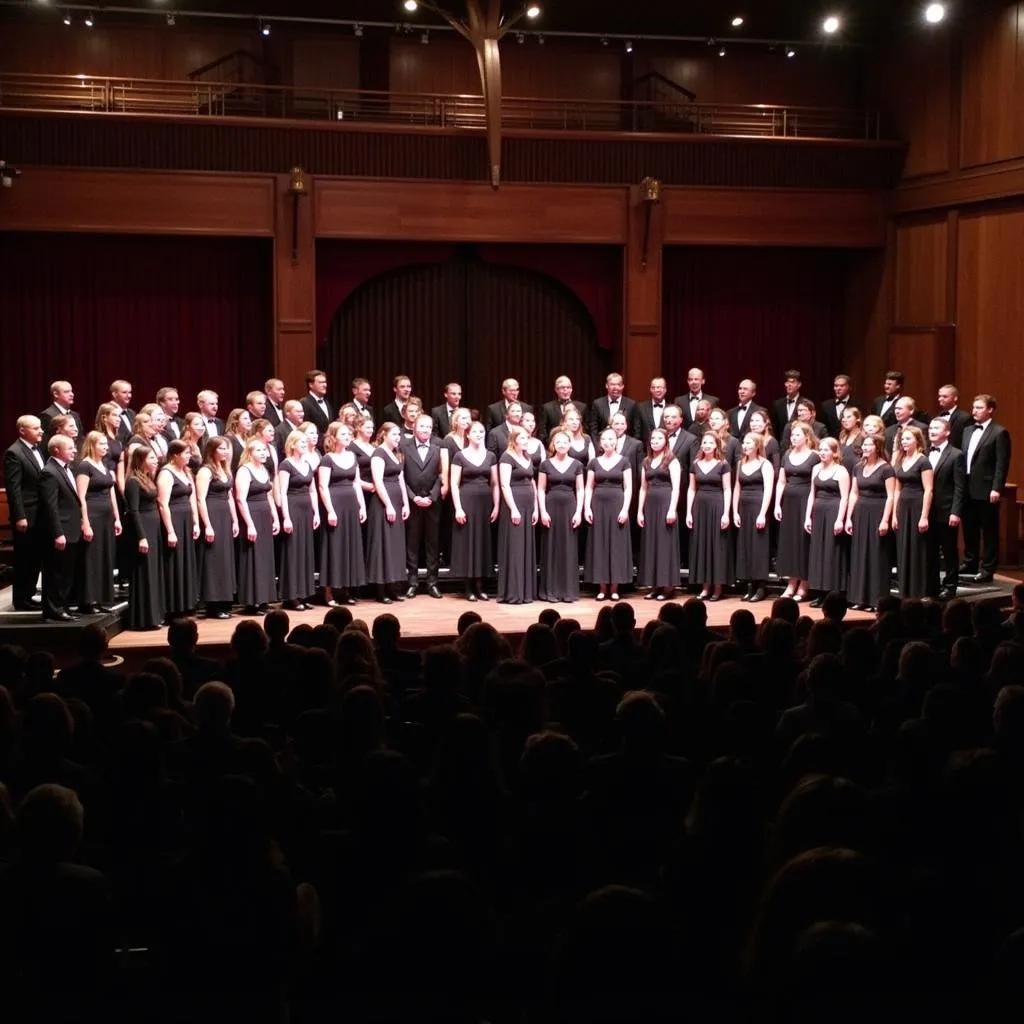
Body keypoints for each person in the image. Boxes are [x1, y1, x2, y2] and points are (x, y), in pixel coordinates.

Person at [960, 394, 1012, 583]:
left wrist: (996, 488)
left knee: (989, 530)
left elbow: (1001, 463)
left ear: (990, 409)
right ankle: (970, 561)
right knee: (969, 527)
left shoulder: (999, 432)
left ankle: (988, 567)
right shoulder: (967, 431)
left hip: (986, 488)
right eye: (974, 407)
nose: (974, 411)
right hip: (967, 488)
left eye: (979, 407)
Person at [318, 422, 367, 607]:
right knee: (334, 547)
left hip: (351, 506)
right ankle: (329, 592)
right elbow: (323, 486)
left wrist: (361, 506)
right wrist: (330, 510)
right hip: (335, 505)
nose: (348, 436)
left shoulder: (352, 456)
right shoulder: (327, 459)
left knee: (349, 546)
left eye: (349, 434)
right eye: (344, 434)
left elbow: (356, 483)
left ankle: (346, 590)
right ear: (334, 437)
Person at [845, 435, 896, 612]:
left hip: (877, 512)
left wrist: (885, 520)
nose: (865, 447)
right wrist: (848, 517)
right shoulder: (858, 467)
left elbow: (891, 496)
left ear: (878, 447)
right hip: (860, 513)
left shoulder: (886, 469)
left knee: (876, 556)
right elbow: (853, 493)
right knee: (860, 555)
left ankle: (877, 600)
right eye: (864, 445)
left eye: (869, 445)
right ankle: (859, 598)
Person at [450, 420, 499, 602]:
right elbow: (454, 484)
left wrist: (496, 505)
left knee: (482, 543)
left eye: (481, 431)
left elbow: (494, 483)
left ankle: (480, 585)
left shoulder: (491, 456)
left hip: (485, 502)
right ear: (467, 435)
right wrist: (458, 508)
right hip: (467, 500)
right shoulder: (459, 456)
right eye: (475, 431)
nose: (479, 434)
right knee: (468, 543)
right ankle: (468, 587)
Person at [74, 431, 121, 614]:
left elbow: (112, 494)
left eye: (106, 444)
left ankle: (102, 598)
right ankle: (88, 600)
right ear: (92, 445)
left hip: (106, 517)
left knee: (105, 556)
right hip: (92, 515)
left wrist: (117, 518)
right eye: (101, 444)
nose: (105, 447)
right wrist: (85, 522)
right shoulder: (85, 466)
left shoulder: (105, 465)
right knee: (91, 558)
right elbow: (81, 497)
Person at [584, 428, 634, 601]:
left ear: (616, 441)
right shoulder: (594, 462)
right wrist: (587, 508)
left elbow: (628, 488)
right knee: (600, 544)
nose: (607, 442)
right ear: (600, 442)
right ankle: (602, 586)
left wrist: (625, 509)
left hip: (617, 505)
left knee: (616, 545)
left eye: (611, 439)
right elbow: (589, 486)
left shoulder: (624, 461)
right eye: (604, 438)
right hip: (598, 506)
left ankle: (614, 587)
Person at [37, 435, 82, 622]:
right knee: (55, 572)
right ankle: (53, 608)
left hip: (70, 529)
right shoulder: (50, 472)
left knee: (65, 572)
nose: (74, 451)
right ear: (56, 450)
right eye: (70, 448)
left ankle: (61, 606)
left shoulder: (64, 469)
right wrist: (58, 533)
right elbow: (50, 506)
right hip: (60, 532)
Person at [537, 429, 585, 603]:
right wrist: (543, 511)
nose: (562, 445)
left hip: (570, 507)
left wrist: (579, 512)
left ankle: (568, 591)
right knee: (551, 547)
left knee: (568, 548)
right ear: (553, 445)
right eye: (558, 442)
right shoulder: (546, 464)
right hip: (551, 507)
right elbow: (541, 489)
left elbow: (580, 490)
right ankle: (550, 591)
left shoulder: (577, 465)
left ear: (569, 444)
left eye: (565, 442)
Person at [195, 436, 239, 620]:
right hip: (212, 514)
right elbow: (200, 499)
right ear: (212, 450)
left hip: (225, 517)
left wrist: (235, 520)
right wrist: (208, 525)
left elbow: (229, 497)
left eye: (227, 448)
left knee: (224, 559)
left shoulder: (225, 469)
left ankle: (224, 601)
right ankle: (213, 604)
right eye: (221, 448)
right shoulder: (206, 471)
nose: (226, 452)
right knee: (213, 559)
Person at [4, 414, 45, 611]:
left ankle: (29, 594)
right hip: (27, 514)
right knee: (25, 558)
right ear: (22, 431)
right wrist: (19, 515)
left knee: (35, 556)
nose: (41, 431)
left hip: (39, 512)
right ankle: (21, 599)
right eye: (36, 428)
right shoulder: (14, 453)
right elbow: (14, 488)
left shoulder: (37, 450)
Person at [774, 423, 820, 601]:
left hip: (805, 501)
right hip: (789, 503)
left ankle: (804, 584)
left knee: (803, 541)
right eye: (792, 435)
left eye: (797, 435)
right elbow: (781, 482)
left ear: (807, 436)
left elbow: (817, 484)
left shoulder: (815, 457)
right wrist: (778, 504)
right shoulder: (787, 454)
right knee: (790, 542)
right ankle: (791, 582)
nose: (793, 438)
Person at [401, 414, 445, 600]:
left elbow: (441, 476)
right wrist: (413, 497)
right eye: (422, 427)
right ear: (414, 428)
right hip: (412, 504)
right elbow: (400, 476)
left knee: (433, 544)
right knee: (412, 544)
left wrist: (432, 497)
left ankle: (432, 583)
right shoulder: (404, 447)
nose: (426, 430)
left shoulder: (437, 448)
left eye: (429, 427)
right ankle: (412, 582)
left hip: (432, 504)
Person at [686, 431, 732, 601]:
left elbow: (727, 489)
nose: (706, 445)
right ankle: (705, 586)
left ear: (716, 446)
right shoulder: (695, 464)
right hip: (700, 507)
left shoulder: (723, 464)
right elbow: (691, 489)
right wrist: (689, 512)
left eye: (710, 443)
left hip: (717, 505)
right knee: (702, 544)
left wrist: (726, 513)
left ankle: (718, 587)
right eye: (704, 442)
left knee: (717, 545)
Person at [235, 438, 279, 614]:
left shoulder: (264, 469)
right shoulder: (244, 471)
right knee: (252, 557)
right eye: (259, 450)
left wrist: (275, 518)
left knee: (265, 557)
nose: (263, 453)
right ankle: (251, 601)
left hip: (264, 515)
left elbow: (269, 496)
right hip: (251, 515)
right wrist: (250, 525)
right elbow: (240, 499)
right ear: (250, 452)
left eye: (265, 450)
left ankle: (263, 599)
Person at [804, 438, 850, 608]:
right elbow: (812, 493)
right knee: (818, 552)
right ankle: (819, 592)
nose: (822, 453)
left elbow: (845, 497)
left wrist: (840, 519)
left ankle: (832, 593)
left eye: (826, 450)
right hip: (818, 512)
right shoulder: (816, 468)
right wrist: (808, 516)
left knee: (832, 551)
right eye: (820, 450)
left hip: (833, 511)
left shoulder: (841, 471)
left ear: (834, 452)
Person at [157, 439, 200, 619]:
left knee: (186, 561)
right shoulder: (166, 473)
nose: (189, 456)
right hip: (174, 520)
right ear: (175, 455)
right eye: (186, 453)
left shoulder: (186, 471)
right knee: (174, 563)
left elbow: (193, 498)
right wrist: (171, 531)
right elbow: (162, 504)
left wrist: (196, 522)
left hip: (186, 520)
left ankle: (186, 603)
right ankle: (173, 607)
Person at [277, 431, 320, 611]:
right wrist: (286, 517)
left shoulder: (307, 464)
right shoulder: (286, 465)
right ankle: (291, 596)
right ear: (292, 444)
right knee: (293, 552)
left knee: (305, 552)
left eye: (306, 441)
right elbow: (283, 492)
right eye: (301, 442)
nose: (305, 444)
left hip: (306, 511)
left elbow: (312, 491)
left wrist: (316, 513)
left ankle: (304, 593)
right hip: (293, 509)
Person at [367, 423, 410, 604]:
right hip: (383, 504)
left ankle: (393, 587)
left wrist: (405, 504)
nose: (397, 437)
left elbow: (401, 480)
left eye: (399, 434)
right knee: (383, 544)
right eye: (394, 434)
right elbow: (378, 481)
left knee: (395, 545)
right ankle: (381, 589)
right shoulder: (378, 454)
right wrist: (389, 505)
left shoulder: (397, 454)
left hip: (397, 502)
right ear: (383, 434)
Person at [637, 428, 681, 601]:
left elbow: (676, 487)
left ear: (666, 441)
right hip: (650, 505)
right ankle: (655, 584)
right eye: (653, 438)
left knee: (665, 545)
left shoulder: (671, 460)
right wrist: (640, 511)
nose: (655, 441)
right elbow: (643, 487)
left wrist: (672, 509)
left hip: (665, 504)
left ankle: (667, 586)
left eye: (659, 438)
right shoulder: (646, 461)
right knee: (652, 544)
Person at [123, 447, 164, 630]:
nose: (156, 460)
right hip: (143, 530)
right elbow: (133, 511)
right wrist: (141, 537)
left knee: (153, 572)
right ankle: (142, 618)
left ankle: (154, 616)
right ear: (141, 460)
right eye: (152, 457)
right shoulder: (132, 481)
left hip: (153, 529)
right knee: (143, 572)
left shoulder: (147, 478)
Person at [497, 426, 538, 604]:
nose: (525, 441)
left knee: (526, 546)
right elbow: (504, 485)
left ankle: (526, 591)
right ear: (513, 440)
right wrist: (513, 508)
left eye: (527, 438)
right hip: (515, 506)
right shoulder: (506, 457)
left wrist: (536, 507)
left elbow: (532, 482)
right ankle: (514, 592)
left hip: (529, 506)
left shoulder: (527, 456)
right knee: (515, 547)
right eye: (521, 438)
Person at [925, 417, 965, 600]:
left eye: (936, 428)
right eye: (930, 428)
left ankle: (950, 586)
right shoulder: (924, 452)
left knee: (948, 551)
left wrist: (956, 511)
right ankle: (931, 585)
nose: (931, 431)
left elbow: (959, 486)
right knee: (930, 550)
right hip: (927, 511)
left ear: (947, 432)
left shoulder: (956, 455)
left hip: (946, 510)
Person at [733, 431, 774, 603]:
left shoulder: (765, 464)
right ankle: (750, 582)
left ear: (757, 446)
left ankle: (761, 586)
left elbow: (768, 489)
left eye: (749, 443)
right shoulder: (740, 463)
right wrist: (734, 511)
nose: (745, 446)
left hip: (758, 506)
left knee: (759, 546)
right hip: (744, 507)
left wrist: (762, 514)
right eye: (744, 443)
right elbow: (737, 487)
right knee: (746, 545)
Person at [589, 372, 636, 442]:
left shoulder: (631, 404)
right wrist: (598, 447)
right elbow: (593, 429)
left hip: (625, 447)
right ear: (606, 386)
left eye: (618, 384)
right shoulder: (597, 404)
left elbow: (635, 430)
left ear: (622, 386)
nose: (615, 387)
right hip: (603, 445)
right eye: (612, 384)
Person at [540, 376, 587, 442]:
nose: (566, 390)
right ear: (556, 390)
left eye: (568, 387)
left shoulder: (582, 407)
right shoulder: (547, 408)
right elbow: (542, 431)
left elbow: (586, 429)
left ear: (571, 389)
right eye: (562, 388)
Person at [820, 374, 859, 439]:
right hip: (831, 442)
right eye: (836, 386)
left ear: (849, 387)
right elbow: (823, 426)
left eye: (842, 386)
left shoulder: (857, 405)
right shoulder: (826, 405)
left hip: (851, 440)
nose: (838, 388)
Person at [770, 369, 804, 438]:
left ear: (799, 384)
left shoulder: (805, 403)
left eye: (793, 382)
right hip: (781, 445)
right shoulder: (777, 404)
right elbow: (774, 428)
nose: (789, 384)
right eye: (788, 382)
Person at [300, 368, 333, 439]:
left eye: (325, 382)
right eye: (321, 382)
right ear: (311, 385)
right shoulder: (304, 403)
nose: (325, 385)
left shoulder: (326, 402)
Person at [935, 384, 971, 449]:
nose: (940, 399)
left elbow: (966, 443)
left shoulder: (964, 418)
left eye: (945, 396)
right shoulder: (937, 416)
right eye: (939, 396)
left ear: (955, 398)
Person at [837, 406, 866, 473]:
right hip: (843, 472)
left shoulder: (863, 436)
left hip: (857, 472)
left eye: (848, 417)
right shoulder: (842, 435)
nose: (844, 420)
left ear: (857, 419)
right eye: (843, 417)